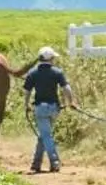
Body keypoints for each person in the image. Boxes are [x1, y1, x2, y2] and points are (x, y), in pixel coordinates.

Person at [22, 46, 75, 174]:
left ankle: (54, 161)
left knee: (45, 135)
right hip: (54, 108)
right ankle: (36, 163)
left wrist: (26, 105)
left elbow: (27, 91)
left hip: (40, 108)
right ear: (50, 59)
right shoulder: (57, 72)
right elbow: (66, 88)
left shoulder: (32, 73)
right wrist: (71, 102)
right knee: (44, 135)